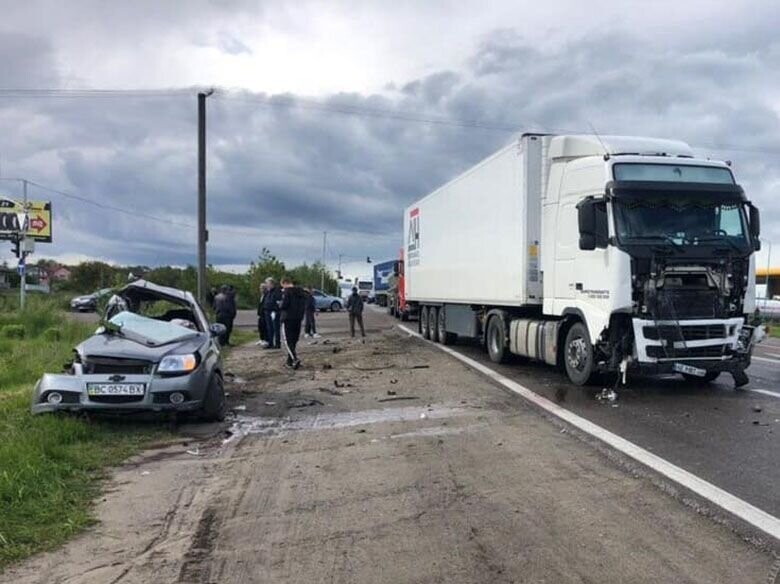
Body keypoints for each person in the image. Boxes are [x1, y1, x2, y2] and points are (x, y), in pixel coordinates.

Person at [279, 276, 307, 369]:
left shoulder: (287, 292)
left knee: (287, 341)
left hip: (288, 319)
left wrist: (280, 304)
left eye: (282, 285)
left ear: (285, 283)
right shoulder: (302, 293)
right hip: (298, 319)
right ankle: (289, 361)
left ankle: (294, 359)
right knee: (294, 340)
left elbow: (284, 305)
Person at [262, 277, 282, 349]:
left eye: (267, 283)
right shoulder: (268, 292)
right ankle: (270, 343)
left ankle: (277, 343)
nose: (266, 285)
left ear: (271, 284)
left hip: (274, 312)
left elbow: (278, 302)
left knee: (275, 328)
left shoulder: (277, 291)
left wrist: (275, 309)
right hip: (267, 311)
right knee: (269, 328)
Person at [255, 282, 269, 346]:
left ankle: (266, 339)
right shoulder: (262, 295)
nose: (261, 289)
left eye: (262, 288)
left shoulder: (266, 295)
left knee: (264, 327)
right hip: (260, 314)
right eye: (260, 288)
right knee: (260, 326)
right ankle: (261, 339)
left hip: (264, 314)